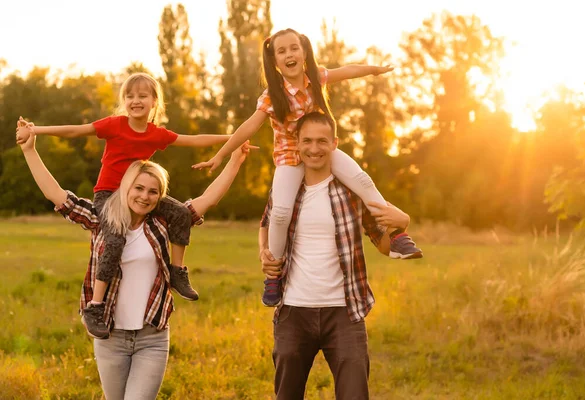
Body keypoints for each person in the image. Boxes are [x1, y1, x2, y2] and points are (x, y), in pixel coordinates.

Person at [193, 28, 422, 307]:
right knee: (280, 212)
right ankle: (274, 275)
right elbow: (247, 127)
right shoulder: (271, 95)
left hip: (322, 149)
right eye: (282, 51)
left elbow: (347, 70)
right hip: (290, 156)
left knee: (362, 180)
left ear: (304, 52)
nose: (289, 54)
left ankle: (397, 235)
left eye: (294, 48)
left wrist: (373, 70)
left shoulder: (316, 77)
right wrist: (220, 155)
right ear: (275, 60)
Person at [17, 127, 252, 399]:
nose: (144, 196)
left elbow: (207, 200)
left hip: (152, 338)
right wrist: (30, 150)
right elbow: (57, 195)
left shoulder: (162, 225)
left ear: (160, 196)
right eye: (138, 188)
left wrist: (234, 161)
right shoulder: (101, 219)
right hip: (110, 337)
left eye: (153, 191)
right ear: (125, 187)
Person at [16, 72, 231, 338]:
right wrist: (35, 130)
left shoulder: (156, 134)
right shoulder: (114, 125)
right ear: (123, 100)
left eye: (142, 95)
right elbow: (75, 131)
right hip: (108, 196)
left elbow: (193, 139)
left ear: (154, 101)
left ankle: (177, 271)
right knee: (114, 241)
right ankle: (95, 307)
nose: (135, 100)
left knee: (180, 214)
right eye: (129, 96)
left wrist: (233, 140)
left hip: (139, 193)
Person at [259, 112, 414, 399]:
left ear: (335, 144)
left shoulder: (351, 191)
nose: (314, 148)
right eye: (307, 141)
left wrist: (402, 222)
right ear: (297, 143)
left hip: (345, 313)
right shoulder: (286, 189)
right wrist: (264, 252)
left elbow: (382, 244)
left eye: (321, 141)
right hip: (293, 312)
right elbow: (266, 224)